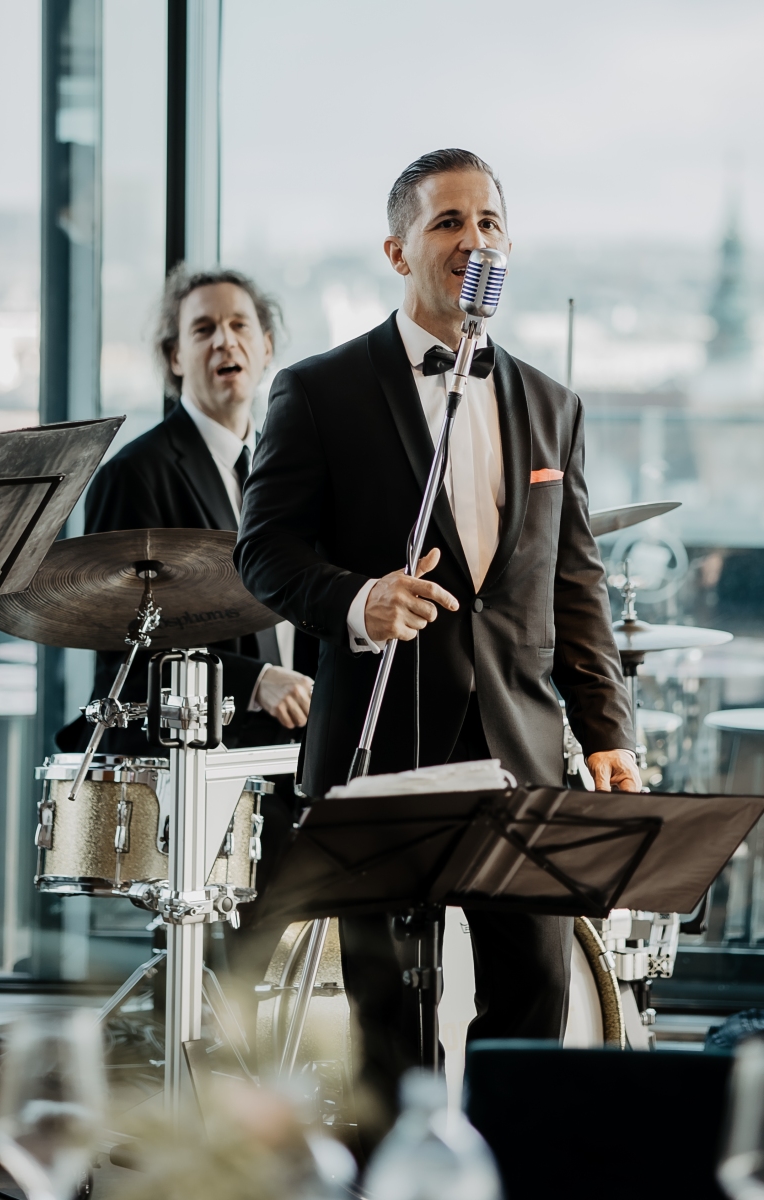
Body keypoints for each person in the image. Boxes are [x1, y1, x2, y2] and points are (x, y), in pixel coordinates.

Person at [235, 149, 641, 1124]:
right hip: (380, 745)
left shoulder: (552, 404)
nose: (473, 240)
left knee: (534, 1000)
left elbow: (574, 583)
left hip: (520, 748)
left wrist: (606, 729)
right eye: (447, 222)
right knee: (387, 1020)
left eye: (488, 222)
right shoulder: (318, 390)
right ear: (397, 250)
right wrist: (356, 600)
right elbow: (263, 552)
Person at [58, 264, 317, 756]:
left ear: (265, 347)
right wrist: (255, 681)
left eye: (239, 325)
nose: (225, 341)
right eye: (203, 329)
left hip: (289, 754)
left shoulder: (290, 467)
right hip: (185, 764)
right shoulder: (133, 474)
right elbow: (123, 662)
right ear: (175, 356)